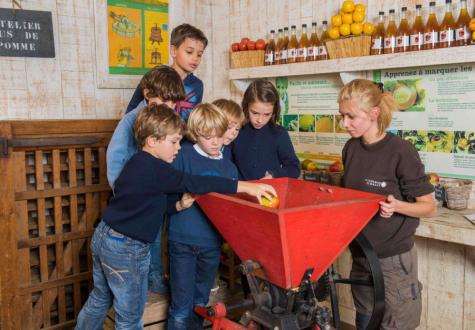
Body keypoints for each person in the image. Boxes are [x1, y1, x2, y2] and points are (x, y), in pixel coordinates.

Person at [75, 104, 276, 330]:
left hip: (105, 236)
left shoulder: (138, 163)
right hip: (127, 248)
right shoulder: (155, 168)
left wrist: (178, 205)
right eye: (173, 142)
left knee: (100, 299)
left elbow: (146, 203)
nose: (179, 148)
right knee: (130, 318)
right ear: (152, 140)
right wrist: (244, 186)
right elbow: (195, 182)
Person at [338, 79, 437, 330]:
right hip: (361, 254)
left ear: (374, 113)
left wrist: (398, 207)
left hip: (393, 260)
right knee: (365, 320)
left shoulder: (401, 151)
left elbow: (428, 207)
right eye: (341, 116)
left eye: (351, 116)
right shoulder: (351, 148)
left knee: (395, 324)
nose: (344, 124)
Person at [167, 103, 239, 329]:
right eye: (209, 138)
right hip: (182, 241)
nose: (216, 143)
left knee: (200, 303)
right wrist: (179, 203)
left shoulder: (229, 168)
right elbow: (163, 194)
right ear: (196, 135)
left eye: (220, 136)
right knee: (180, 307)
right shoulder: (182, 156)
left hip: (211, 245)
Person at [106, 65, 185, 188]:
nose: (169, 107)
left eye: (174, 103)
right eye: (165, 101)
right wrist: (120, 190)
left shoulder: (171, 120)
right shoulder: (129, 120)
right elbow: (115, 158)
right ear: (147, 94)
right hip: (132, 187)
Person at [126, 23, 207, 122]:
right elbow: (131, 112)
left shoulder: (197, 86)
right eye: (189, 52)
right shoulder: (154, 77)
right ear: (173, 50)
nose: (195, 58)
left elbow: (195, 121)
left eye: (199, 54)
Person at [231, 79, 300, 180]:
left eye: (267, 114)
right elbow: (226, 163)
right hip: (239, 192)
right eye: (255, 113)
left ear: (274, 111)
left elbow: (294, 168)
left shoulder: (279, 133)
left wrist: (273, 175)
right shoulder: (235, 131)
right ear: (246, 106)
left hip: (269, 192)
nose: (260, 120)